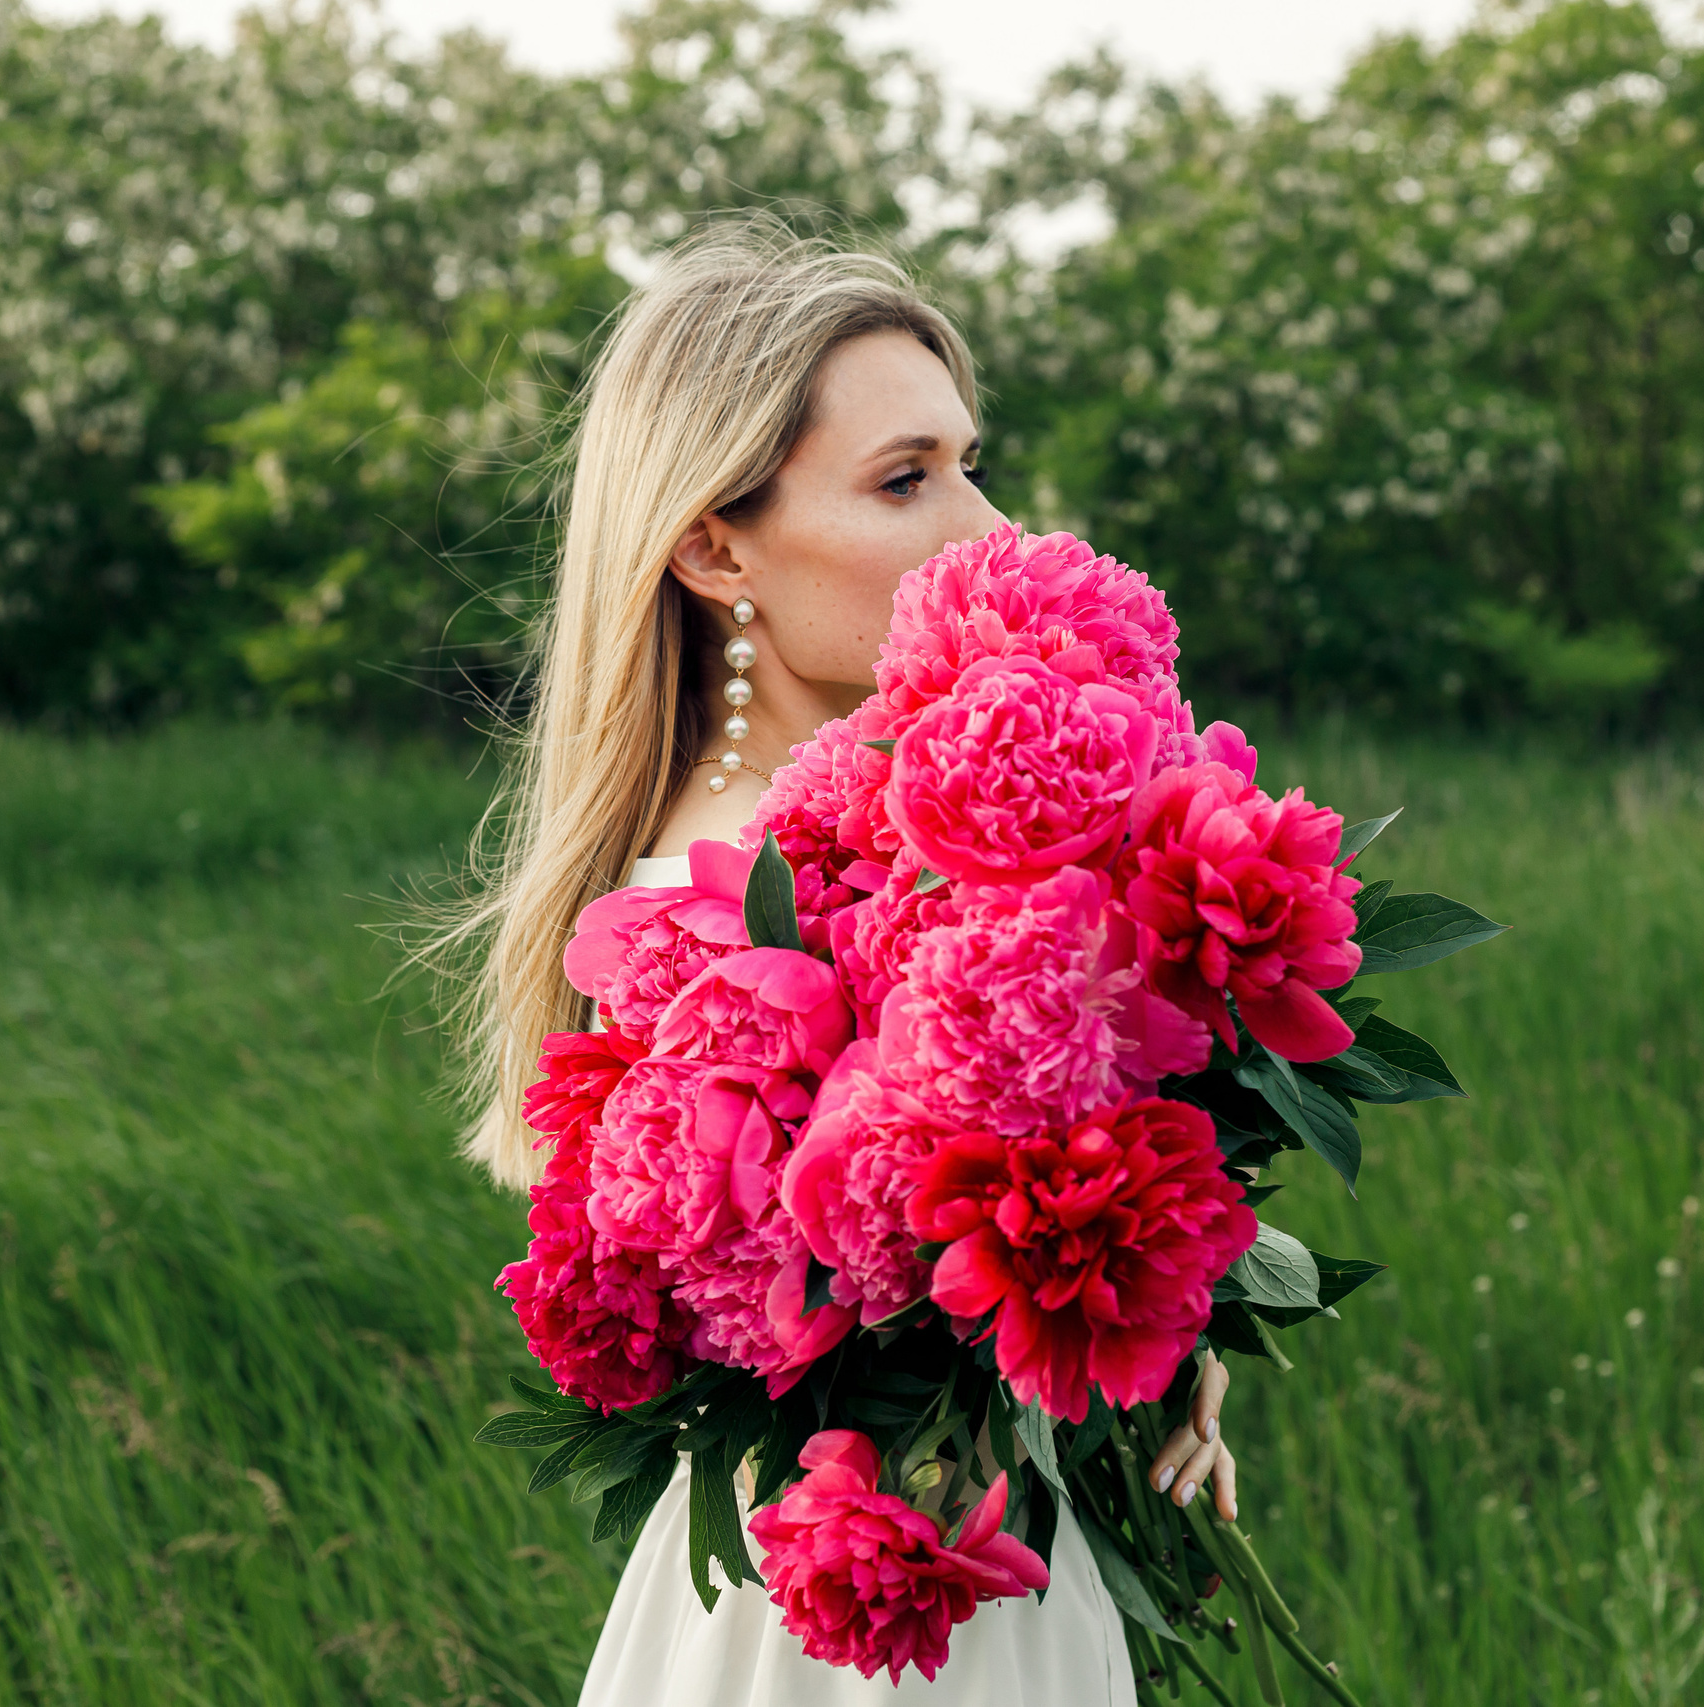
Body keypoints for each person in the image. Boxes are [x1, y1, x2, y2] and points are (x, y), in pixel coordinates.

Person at [452, 222, 1240, 1705]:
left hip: (967, 1549)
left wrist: (1180, 1296)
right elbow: (889, 1283)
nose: (982, 529)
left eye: (968, 462)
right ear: (712, 546)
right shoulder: (721, 906)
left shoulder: (905, 825)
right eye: (904, 480)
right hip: (874, 1595)